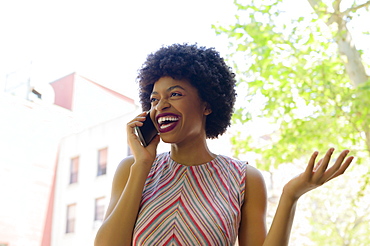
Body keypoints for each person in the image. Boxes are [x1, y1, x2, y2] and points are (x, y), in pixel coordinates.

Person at [94, 43, 354, 246]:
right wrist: (142, 164)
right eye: (154, 99)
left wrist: (290, 195)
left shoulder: (245, 179)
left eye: (175, 94)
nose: (161, 105)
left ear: (207, 104)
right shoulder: (132, 169)